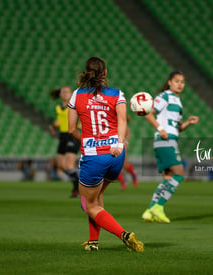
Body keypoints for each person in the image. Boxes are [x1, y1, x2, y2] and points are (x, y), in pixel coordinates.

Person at [68, 56, 144, 252]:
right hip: (115, 155)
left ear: (86, 73)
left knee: (87, 203)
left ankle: (124, 235)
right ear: (105, 73)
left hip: (94, 157)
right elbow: (122, 122)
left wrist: (86, 142)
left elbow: (71, 130)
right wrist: (119, 143)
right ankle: (93, 242)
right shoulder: (117, 94)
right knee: (97, 198)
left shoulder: (77, 95)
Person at [141, 70, 199, 223]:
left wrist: (188, 123)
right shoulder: (165, 96)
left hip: (168, 139)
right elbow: (148, 113)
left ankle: (149, 210)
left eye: (182, 82)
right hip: (165, 140)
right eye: (177, 81)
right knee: (179, 174)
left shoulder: (176, 100)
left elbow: (177, 127)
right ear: (169, 82)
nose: (180, 84)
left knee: (167, 178)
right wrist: (160, 129)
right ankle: (159, 207)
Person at [49, 86, 80, 197]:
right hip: (62, 136)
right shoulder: (58, 107)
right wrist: (53, 125)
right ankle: (78, 179)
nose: (65, 93)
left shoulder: (74, 105)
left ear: (71, 94)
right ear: (60, 95)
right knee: (61, 166)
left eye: (67, 92)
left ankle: (79, 185)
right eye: (63, 92)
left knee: (69, 165)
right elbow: (60, 120)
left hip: (72, 135)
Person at [117, 116, 138, 190]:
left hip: (122, 148)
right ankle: (124, 181)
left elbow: (127, 138)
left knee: (124, 166)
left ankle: (132, 176)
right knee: (115, 167)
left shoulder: (125, 127)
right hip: (115, 147)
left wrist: (125, 145)